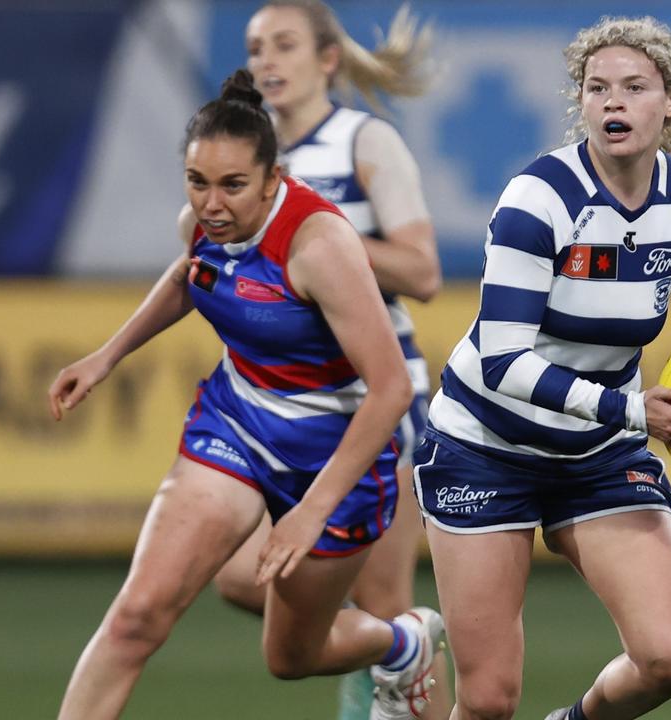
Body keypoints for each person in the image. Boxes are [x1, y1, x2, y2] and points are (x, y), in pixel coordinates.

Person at [49, 69, 443, 720]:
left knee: (290, 658)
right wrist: (107, 355)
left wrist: (311, 511)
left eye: (233, 186)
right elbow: (191, 274)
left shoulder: (321, 246)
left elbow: (392, 388)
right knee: (136, 618)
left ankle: (400, 643)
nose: (212, 204)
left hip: (334, 457)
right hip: (236, 426)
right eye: (198, 183)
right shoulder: (205, 222)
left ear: (273, 179)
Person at [412, 16, 671, 720]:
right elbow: (504, 357)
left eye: (635, 87)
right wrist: (635, 413)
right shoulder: (537, 200)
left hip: (595, 452)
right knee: (486, 703)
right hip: (488, 446)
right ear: (581, 103)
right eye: (597, 87)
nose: (613, 102)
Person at [210, 3, 450, 717]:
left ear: (327, 60)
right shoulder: (248, 160)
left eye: (285, 45)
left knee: (384, 603)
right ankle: (394, 659)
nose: (267, 61)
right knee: (241, 576)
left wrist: (311, 232)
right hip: (291, 408)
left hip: (380, 400)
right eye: (256, 48)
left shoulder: (363, 142)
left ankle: (396, 670)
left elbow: (424, 270)